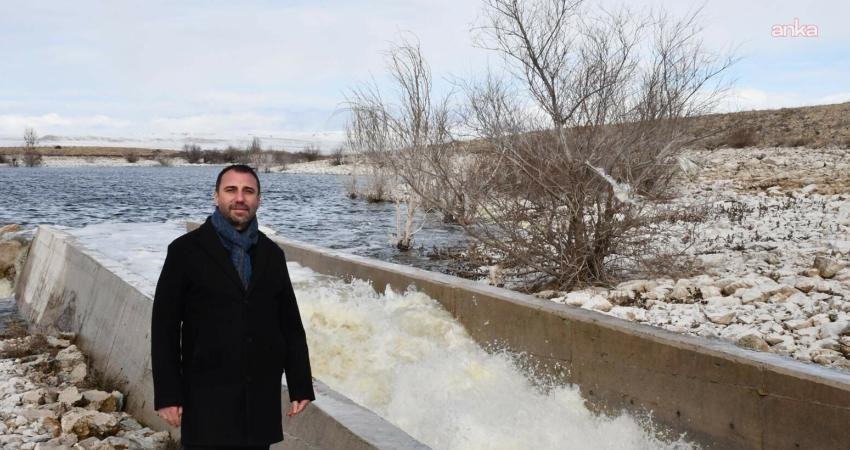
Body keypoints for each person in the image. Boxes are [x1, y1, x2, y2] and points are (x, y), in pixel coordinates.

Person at [150, 164, 315, 449]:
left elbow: (289, 323)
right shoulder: (185, 251)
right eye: (231, 190)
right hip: (205, 396)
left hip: (259, 397)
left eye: (248, 191)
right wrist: (168, 395)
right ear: (216, 196)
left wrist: (300, 383)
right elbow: (164, 327)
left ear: (258, 200)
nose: (240, 198)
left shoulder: (271, 255)